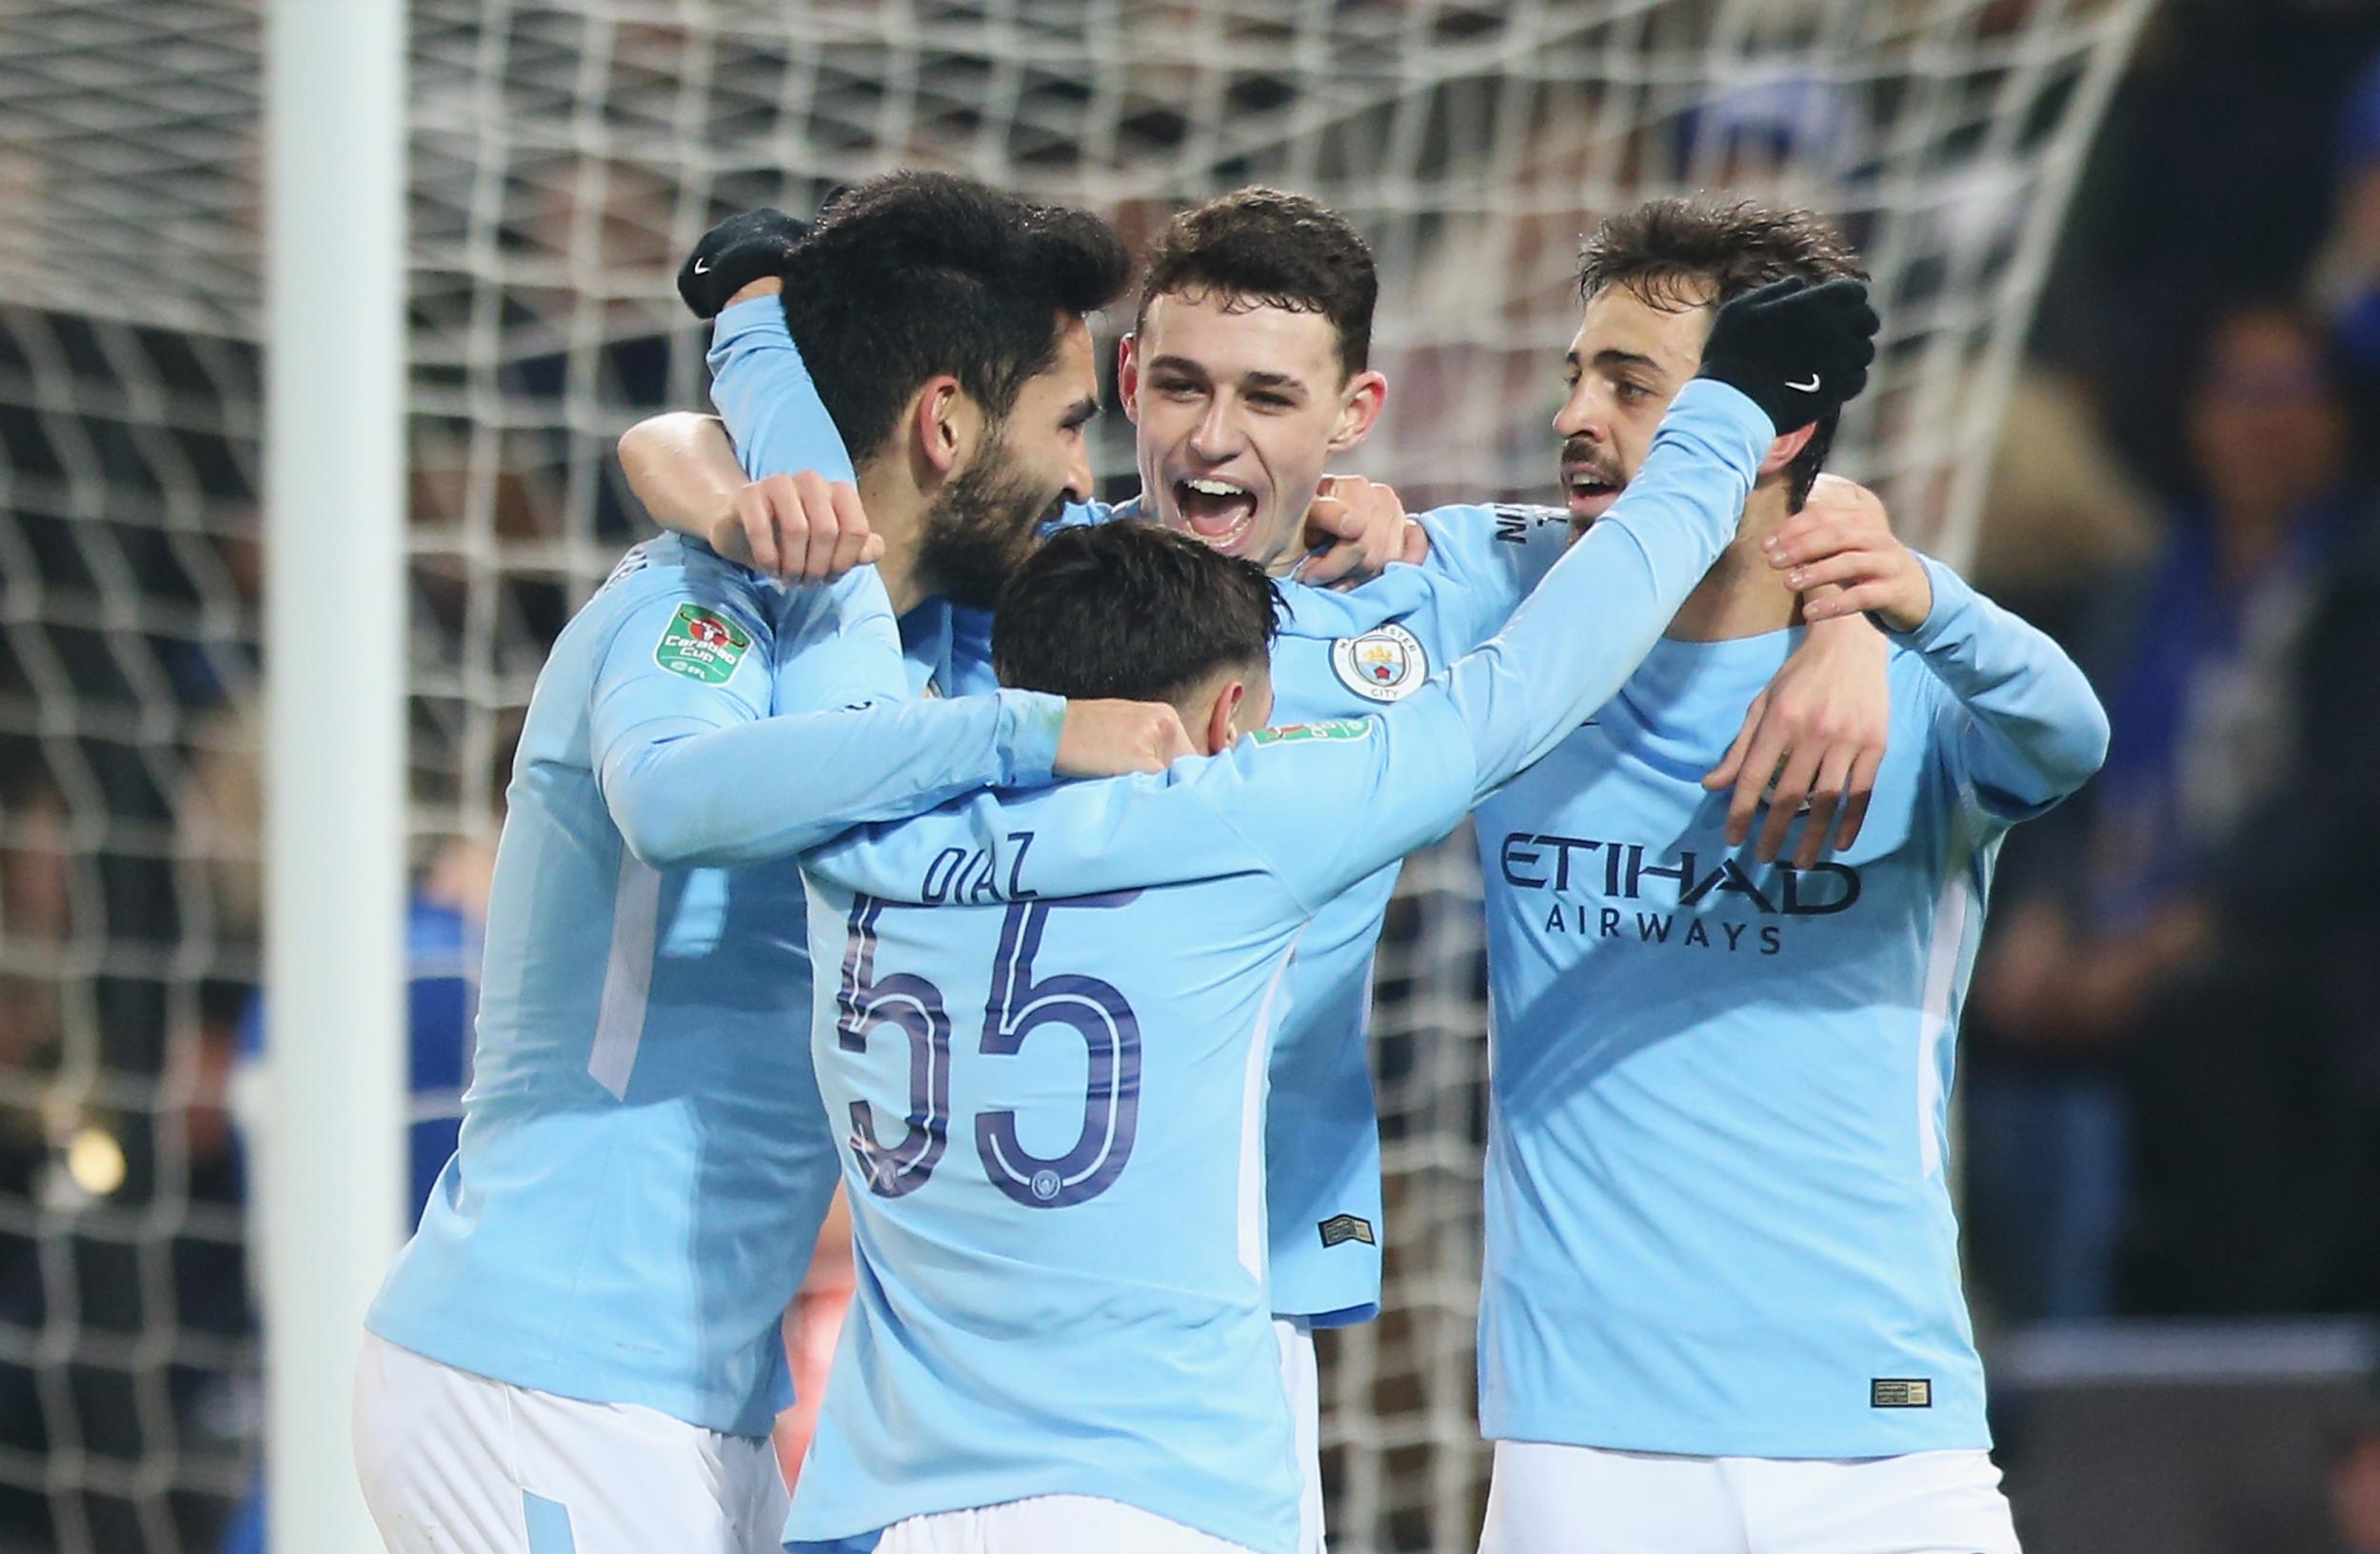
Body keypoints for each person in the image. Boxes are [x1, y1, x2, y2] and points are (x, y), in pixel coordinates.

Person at [625, 190, 1892, 1549]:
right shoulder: (1030, 566)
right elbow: (1566, 648)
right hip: (1085, 1376)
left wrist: (1849, 618)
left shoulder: (1436, 579)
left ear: (1353, 413)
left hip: (1180, 1320)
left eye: (1267, 399)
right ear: (1123, 383)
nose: (1213, 437)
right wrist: (721, 487)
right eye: (1177, 385)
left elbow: (1701, 542)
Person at [350, 171, 1190, 1554]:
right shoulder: (693, 601)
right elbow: (674, 797)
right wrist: (1027, 733)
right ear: (945, 424)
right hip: (544, 1379)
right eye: (1066, 426)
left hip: (702, 1400)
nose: (1081, 478)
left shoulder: (930, 640)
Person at [1464, 197, 2110, 1553]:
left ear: (1776, 427)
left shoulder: (1917, 689)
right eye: (1577, 375)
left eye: (1632, 386)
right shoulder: (1507, 627)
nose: (1579, 414)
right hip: (1587, 1431)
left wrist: (1896, 598)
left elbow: (2072, 733)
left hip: (1879, 1422)